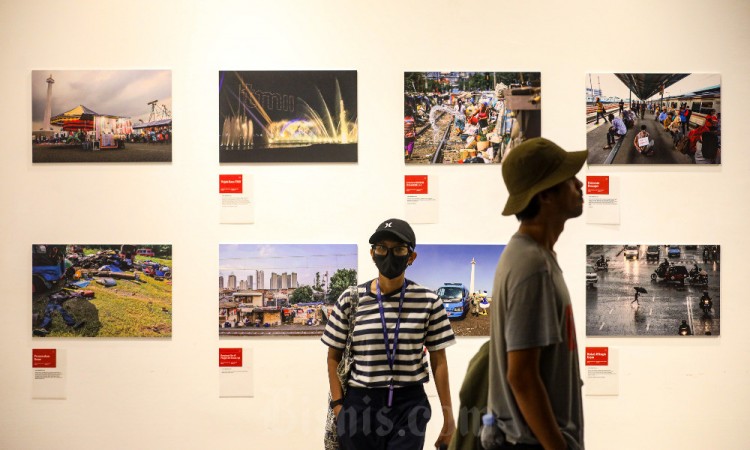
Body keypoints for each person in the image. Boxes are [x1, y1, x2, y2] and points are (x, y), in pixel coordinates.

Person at [322, 218, 456, 450]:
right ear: (372, 253)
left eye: (399, 249)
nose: (389, 254)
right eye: (382, 248)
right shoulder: (350, 299)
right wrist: (339, 407)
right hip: (359, 405)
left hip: (409, 406)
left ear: (411, 257)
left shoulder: (429, 301)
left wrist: (449, 418)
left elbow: (439, 361)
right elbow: (333, 357)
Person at [487, 138, 586, 449]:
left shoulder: (534, 257)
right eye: (569, 179)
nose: (579, 183)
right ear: (545, 194)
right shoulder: (531, 266)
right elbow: (522, 377)